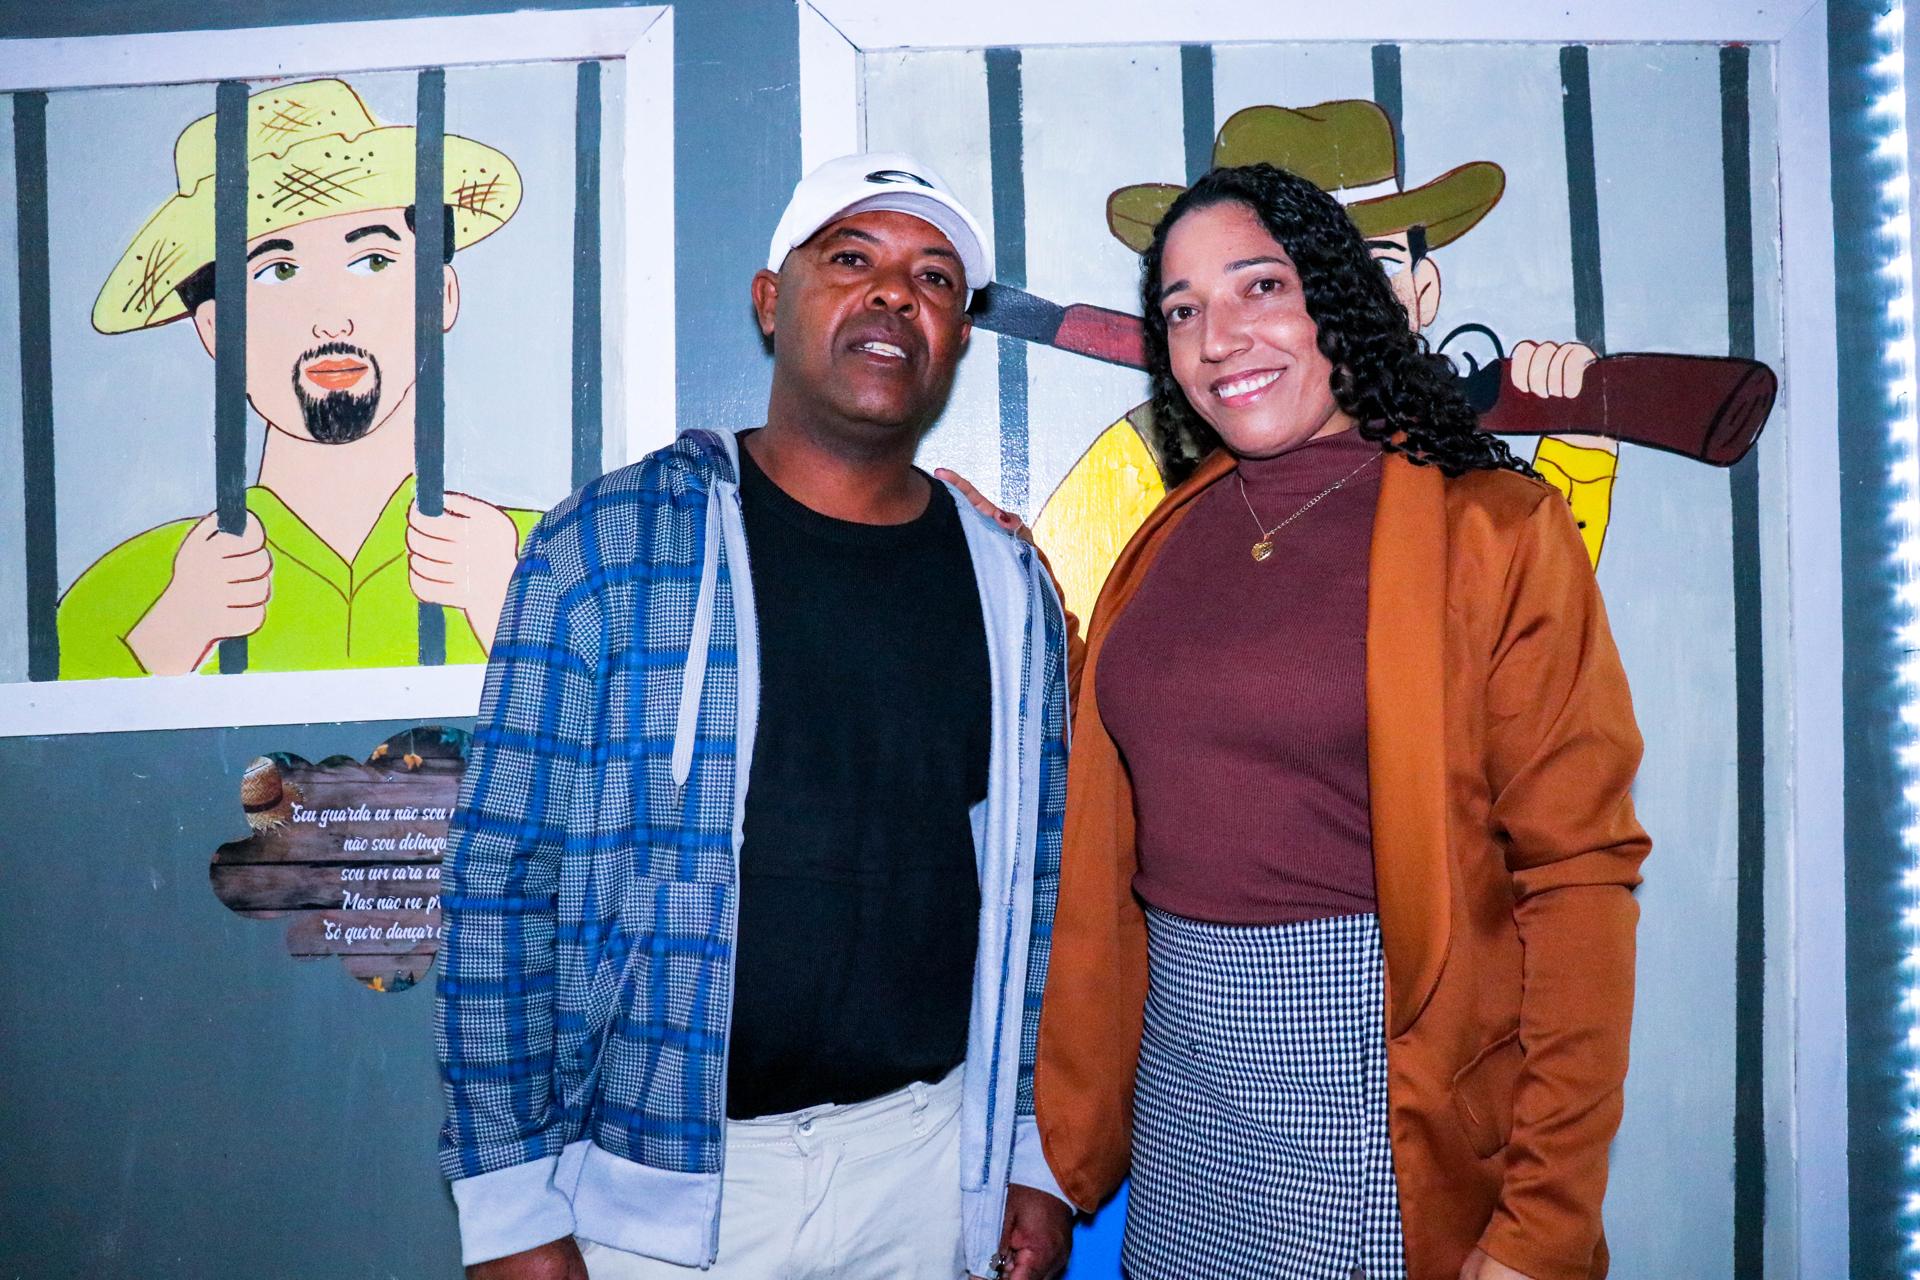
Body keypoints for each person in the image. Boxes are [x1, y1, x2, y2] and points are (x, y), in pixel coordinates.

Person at [436, 153, 1075, 1280]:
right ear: (771, 301)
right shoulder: (612, 545)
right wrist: (508, 1204)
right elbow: (500, 876)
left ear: (956, 337)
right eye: (852, 258)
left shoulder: (1009, 585)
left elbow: (1042, 883)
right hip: (655, 1192)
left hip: (928, 1167)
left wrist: (1027, 1146)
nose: (896, 293)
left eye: (934, 277)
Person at [1028, 163, 1650, 1280]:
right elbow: (1124, 777)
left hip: (1375, 1109)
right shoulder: (1165, 535)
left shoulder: (1495, 528)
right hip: (1181, 1110)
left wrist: (1543, 1224)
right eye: (1182, 310)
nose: (1220, 337)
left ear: (1339, 297)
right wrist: (1009, 569)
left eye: (1260, 286)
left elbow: (1577, 880)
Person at [61, 78, 536, 677]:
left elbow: (620, 717)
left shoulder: (541, 557)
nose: (330, 319)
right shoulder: (129, 592)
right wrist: (173, 633)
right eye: (278, 271)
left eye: (373, 261)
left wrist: (509, 609)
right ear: (215, 330)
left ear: (440, 295)